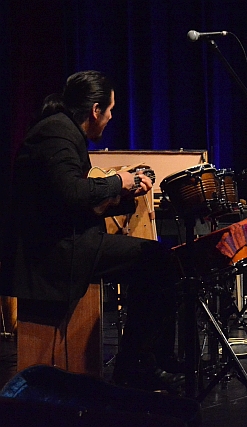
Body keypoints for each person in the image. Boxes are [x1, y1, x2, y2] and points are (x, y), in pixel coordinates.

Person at [0, 71, 184, 391]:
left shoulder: (63, 130)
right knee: (156, 260)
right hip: (55, 252)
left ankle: (144, 361)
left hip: (70, 241)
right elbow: (72, 193)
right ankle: (137, 365)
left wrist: (125, 194)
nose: (112, 117)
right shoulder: (56, 133)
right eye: (110, 110)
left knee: (153, 259)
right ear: (95, 110)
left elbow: (73, 200)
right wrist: (117, 181)